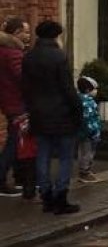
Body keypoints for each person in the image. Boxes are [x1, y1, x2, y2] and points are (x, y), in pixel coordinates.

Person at [22, 20, 82, 214]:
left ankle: (46, 195)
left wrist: (31, 109)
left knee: (43, 155)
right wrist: (77, 109)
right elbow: (67, 88)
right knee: (65, 157)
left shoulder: (29, 57)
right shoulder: (59, 57)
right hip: (62, 114)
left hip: (39, 114)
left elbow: (26, 88)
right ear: (56, 36)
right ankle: (61, 196)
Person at [0, 17, 30, 197]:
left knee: (16, 141)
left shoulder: (5, 51)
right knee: (13, 142)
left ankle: (18, 178)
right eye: (25, 32)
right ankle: (2, 179)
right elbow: (23, 77)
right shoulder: (13, 53)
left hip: (9, 101)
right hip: (17, 103)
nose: (28, 35)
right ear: (16, 33)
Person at [76, 76, 102, 184]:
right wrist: (94, 132)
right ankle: (85, 172)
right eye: (94, 89)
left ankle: (85, 170)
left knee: (82, 152)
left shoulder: (79, 99)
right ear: (88, 90)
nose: (96, 91)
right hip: (90, 133)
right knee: (88, 153)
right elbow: (89, 119)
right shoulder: (88, 102)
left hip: (81, 132)